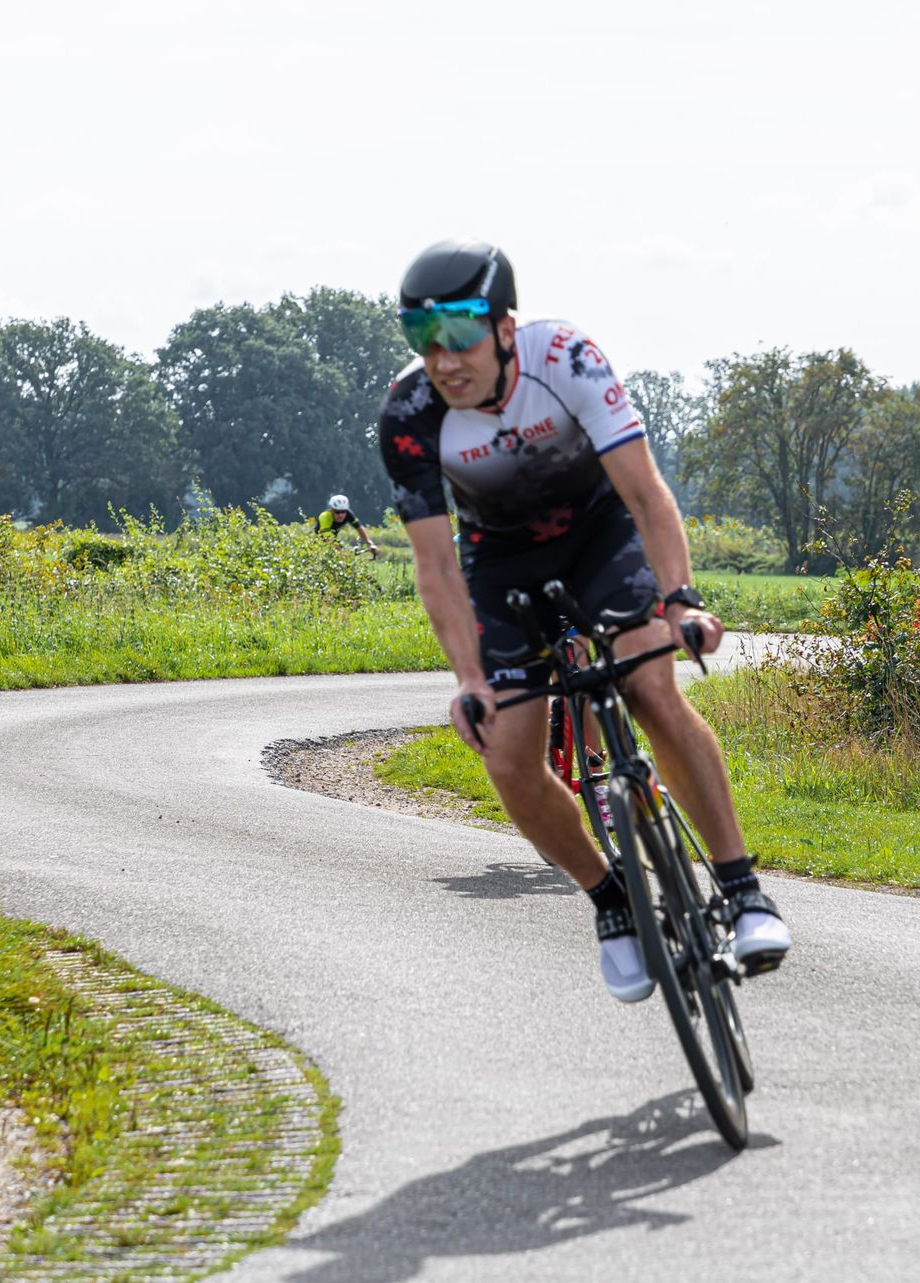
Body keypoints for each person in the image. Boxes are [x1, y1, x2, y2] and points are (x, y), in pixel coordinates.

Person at [378, 239, 789, 1004]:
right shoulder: (408, 414)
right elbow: (435, 566)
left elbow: (644, 492)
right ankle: (613, 903)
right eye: (421, 338)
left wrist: (681, 597)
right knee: (506, 757)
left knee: (651, 686)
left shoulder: (565, 356)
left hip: (602, 535)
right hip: (499, 565)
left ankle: (742, 892)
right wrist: (469, 678)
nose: (443, 358)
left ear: (505, 328)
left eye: (460, 334)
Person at [315, 494, 380, 557]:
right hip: (319, 542)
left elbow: (359, 528)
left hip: (333, 539)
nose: (341, 515)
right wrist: (340, 551)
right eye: (337, 512)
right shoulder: (324, 516)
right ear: (332, 510)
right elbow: (327, 537)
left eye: (343, 511)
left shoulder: (348, 514)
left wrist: (370, 544)